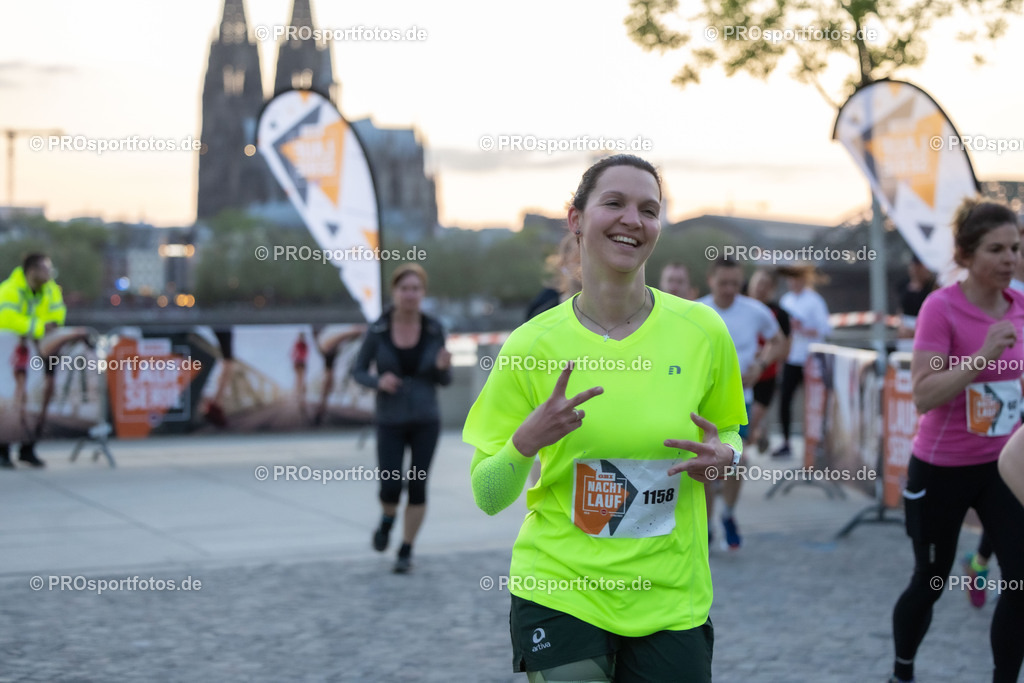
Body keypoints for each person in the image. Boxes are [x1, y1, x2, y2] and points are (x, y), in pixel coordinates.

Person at [464, 155, 746, 681]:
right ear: (575, 219)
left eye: (649, 209)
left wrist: (728, 457)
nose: (632, 220)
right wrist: (524, 443)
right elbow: (487, 494)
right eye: (613, 203)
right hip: (560, 588)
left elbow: (730, 430)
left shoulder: (702, 331)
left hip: (669, 593)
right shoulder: (531, 345)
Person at [889, 198, 1024, 683]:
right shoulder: (940, 308)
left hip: (1006, 466)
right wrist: (982, 355)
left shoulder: (1022, 307)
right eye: (996, 249)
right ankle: (902, 673)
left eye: (1015, 247)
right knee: (929, 581)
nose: (1010, 258)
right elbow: (924, 395)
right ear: (966, 255)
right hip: (943, 467)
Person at [351, 264, 451, 574]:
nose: (410, 294)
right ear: (394, 292)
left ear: (423, 293)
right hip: (390, 419)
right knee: (391, 485)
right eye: (404, 289)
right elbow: (357, 370)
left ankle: (406, 548)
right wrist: (378, 382)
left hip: (425, 418)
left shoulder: (434, 329)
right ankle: (387, 519)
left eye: (416, 289)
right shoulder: (378, 329)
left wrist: (443, 367)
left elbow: (443, 379)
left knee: (418, 486)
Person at [697, 259, 785, 549]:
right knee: (708, 465)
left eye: (735, 284)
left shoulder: (755, 311)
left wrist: (760, 364)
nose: (729, 290)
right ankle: (707, 526)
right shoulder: (697, 311)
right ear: (711, 280)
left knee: (737, 461)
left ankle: (729, 515)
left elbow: (779, 341)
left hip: (739, 402)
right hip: (702, 403)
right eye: (723, 283)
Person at [0, 253, 68, 468]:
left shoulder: (51, 290)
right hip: (13, 353)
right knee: (10, 397)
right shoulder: (9, 289)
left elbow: (58, 315)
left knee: (38, 399)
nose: (50, 274)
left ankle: (28, 448)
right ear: (32, 271)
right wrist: (39, 328)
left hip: (41, 352)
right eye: (46, 270)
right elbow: (6, 319)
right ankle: (3, 449)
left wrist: (47, 328)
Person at [772, 265, 831, 458]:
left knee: (813, 403)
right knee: (785, 400)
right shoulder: (786, 300)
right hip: (791, 358)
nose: (793, 282)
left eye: (796, 278)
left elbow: (824, 329)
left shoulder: (815, 301)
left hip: (810, 360)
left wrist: (802, 327)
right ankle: (786, 442)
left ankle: (816, 443)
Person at [747, 268, 792, 454]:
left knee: (749, 425)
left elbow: (785, 351)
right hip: (739, 377)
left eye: (766, 285)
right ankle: (758, 434)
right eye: (758, 283)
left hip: (765, 377)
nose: (760, 288)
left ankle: (755, 435)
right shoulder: (737, 305)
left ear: (773, 289)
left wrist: (763, 356)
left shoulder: (780, 314)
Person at [895, 255, 938, 352]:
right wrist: (900, 325)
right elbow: (900, 308)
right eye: (914, 266)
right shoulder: (904, 285)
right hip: (906, 332)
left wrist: (917, 331)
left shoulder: (932, 287)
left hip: (924, 329)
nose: (915, 270)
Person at [291, 332, 309, 419]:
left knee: (299, 380)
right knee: (301, 380)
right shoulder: (304, 344)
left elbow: (293, 353)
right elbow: (305, 354)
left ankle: (299, 397)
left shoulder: (298, 343)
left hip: (299, 362)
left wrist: (294, 360)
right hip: (301, 363)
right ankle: (300, 398)